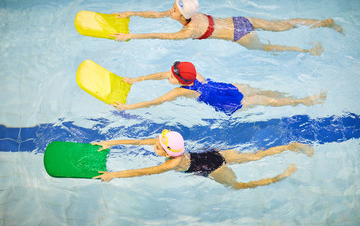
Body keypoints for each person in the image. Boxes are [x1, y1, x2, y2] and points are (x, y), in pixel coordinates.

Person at [111, 0, 342, 55]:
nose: (167, 11)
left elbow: (159, 35)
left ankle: (307, 51)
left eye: (172, 10)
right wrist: (131, 13)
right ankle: (322, 24)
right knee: (282, 25)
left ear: (182, 15)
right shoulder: (191, 15)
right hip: (239, 20)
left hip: (240, 35)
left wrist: (130, 36)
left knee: (268, 49)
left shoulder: (188, 30)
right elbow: (155, 14)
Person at [92, 129, 314, 189]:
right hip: (213, 153)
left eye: (158, 146)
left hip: (214, 166)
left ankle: (281, 176)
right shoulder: (169, 142)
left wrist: (114, 174)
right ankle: (291, 147)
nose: (154, 145)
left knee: (238, 186)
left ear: (169, 153)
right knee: (255, 156)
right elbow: (140, 141)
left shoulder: (172, 163)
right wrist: (111, 143)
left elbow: (143, 172)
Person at [112, 61, 326, 115]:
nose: (166, 75)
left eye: (171, 76)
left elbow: (154, 102)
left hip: (228, 101)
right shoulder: (192, 74)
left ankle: (303, 101)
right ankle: (296, 96)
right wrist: (136, 79)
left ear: (180, 82)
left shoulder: (181, 92)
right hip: (227, 87)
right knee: (263, 92)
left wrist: (128, 107)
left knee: (267, 100)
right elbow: (162, 74)